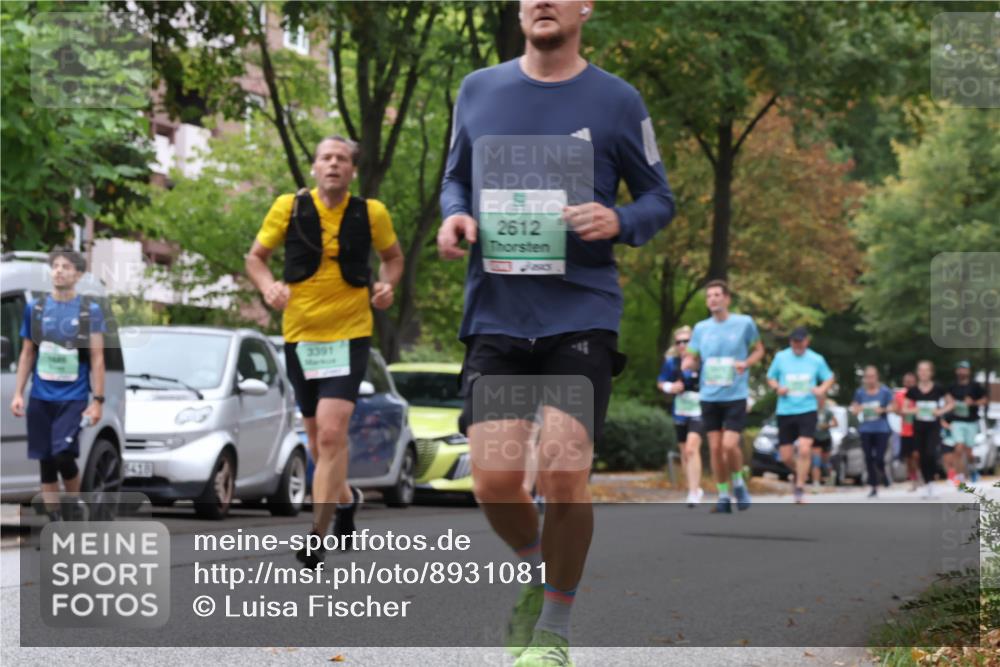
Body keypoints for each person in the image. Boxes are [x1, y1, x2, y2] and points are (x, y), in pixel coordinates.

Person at [437, 1, 675, 662]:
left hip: (580, 311)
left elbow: (661, 198)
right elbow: (455, 179)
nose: (541, 0)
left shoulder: (617, 101)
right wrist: (453, 218)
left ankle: (554, 632)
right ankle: (540, 571)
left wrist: (619, 221)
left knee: (566, 469)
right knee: (492, 480)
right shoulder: (478, 90)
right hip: (498, 313)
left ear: (584, 7)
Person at [246, 135, 404, 568]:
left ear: (352, 170)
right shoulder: (288, 207)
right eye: (326, 158)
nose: (333, 164)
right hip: (301, 336)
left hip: (350, 335)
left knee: (333, 434)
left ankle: (317, 533)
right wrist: (268, 286)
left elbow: (393, 257)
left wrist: (388, 285)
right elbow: (256, 258)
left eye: (342, 159)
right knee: (317, 439)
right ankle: (346, 499)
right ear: (314, 167)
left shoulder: (372, 213)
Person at [9, 249, 106, 520]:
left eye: (65, 267)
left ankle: (74, 505)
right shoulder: (36, 308)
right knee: (46, 461)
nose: (59, 271)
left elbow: (98, 359)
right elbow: (27, 353)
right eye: (55, 266)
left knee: (63, 454)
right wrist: (18, 393)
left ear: (78, 274)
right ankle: (54, 520)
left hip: (72, 397)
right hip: (41, 396)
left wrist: (98, 400)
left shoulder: (90, 311)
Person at [683, 280, 764, 514]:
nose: (713, 299)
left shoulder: (744, 323)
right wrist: (689, 362)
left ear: (727, 299)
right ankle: (723, 495)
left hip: (735, 393)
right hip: (709, 394)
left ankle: (738, 483)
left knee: (730, 445)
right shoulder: (700, 328)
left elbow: (759, 349)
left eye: (717, 295)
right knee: (716, 448)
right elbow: (692, 357)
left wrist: (746, 363)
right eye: (709, 296)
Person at [766, 327, 835, 503]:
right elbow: (770, 377)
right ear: (790, 342)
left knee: (805, 448)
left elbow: (829, 377)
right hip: (786, 410)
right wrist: (777, 388)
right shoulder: (781, 357)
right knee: (786, 456)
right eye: (794, 341)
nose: (797, 345)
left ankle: (800, 487)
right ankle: (799, 473)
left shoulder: (816, 359)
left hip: (807, 409)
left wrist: (821, 389)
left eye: (800, 341)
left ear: (807, 341)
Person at [657, 326, 704, 507]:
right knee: (685, 452)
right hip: (681, 410)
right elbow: (661, 382)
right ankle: (693, 487)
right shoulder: (671, 362)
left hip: (699, 411)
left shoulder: (701, 360)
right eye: (679, 342)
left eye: (687, 341)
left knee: (692, 448)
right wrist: (671, 387)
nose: (683, 345)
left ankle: (693, 492)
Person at [904, 360, 954, 499]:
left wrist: (940, 411)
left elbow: (951, 403)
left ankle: (932, 483)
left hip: (933, 427)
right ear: (918, 372)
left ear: (931, 372)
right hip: (919, 427)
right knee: (921, 456)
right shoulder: (913, 390)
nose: (923, 373)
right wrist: (913, 410)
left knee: (931, 453)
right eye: (921, 370)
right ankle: (927, 484)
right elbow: (904, 408)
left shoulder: (938, 388)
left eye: (926, 370)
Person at [850, 366, 895, 498]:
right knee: (868, 458)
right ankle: (874, 486)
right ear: (864, 378)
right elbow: (853, 408)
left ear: (877, 377)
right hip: (866, 429)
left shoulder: (885, 391)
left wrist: (883, 410)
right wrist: (858, 409)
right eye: (867, 377)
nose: (870, 379)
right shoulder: (860, 392)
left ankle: (883, 473)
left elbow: (894, 406)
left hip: (882, 429)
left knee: (879, 458)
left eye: (872, 376)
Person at [946, 361, 988, 485]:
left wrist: (973, 403)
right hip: (957, 421)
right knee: (958, 448)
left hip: (971, 421)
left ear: (968, 371)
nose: (962, 371)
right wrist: (950, 402)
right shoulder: (952, 386)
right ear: (956, 371)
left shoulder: (975, 386)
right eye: (960, 369)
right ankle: (960, 478)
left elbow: (985, 400)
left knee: (969, 452)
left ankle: (973, 470)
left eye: (964, 369)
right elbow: (947, 399)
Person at [894, 372, 919, 491]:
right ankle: (913, 478)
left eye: (911, 381)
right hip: (905, 431)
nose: (909, 384)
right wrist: (900, 411)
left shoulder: (920, 394)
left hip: (919, 430)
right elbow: (895, 409)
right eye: (907, 382)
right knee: (908, 458)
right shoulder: (899, 395)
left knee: (917, 455)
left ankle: (920, 475)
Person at [811, 399, 837, 487]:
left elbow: (836, 423)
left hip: (825, 438)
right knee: (816, 461)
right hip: (815, 438)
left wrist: (826, 425)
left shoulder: (827, 412)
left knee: (825, 462)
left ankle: (831, 475)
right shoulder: (811, 411)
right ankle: (816, 482)